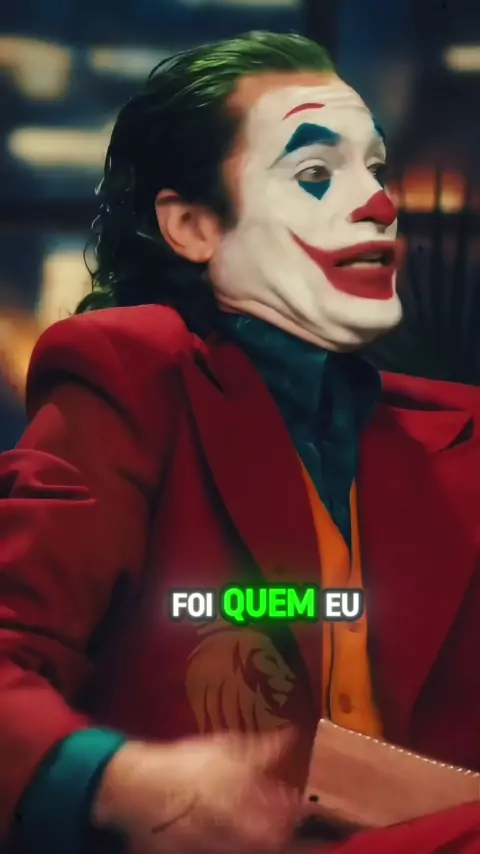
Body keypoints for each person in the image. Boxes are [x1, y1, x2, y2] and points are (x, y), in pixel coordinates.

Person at [1, 31, 480, 854]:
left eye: (376, 168)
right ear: (193, 226)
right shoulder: (134, 375)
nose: (378, 202)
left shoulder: (458, 433)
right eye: (316, 173)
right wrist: (115, 780)